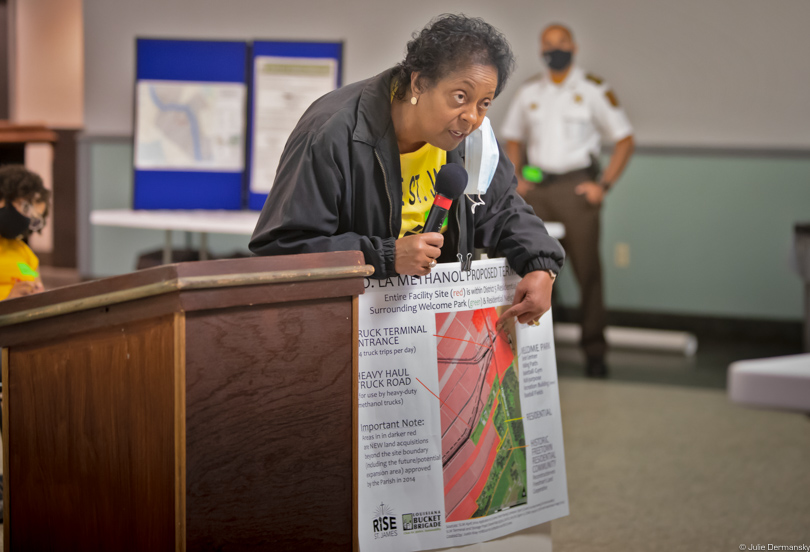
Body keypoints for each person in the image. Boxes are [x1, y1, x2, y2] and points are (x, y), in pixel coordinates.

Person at [250, 14, 565, 326]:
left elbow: (503, 210)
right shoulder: (332, 132)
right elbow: (281, 250)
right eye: (460, 97)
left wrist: (541, 265)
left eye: (484, 103)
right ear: (419, 82)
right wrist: (386, 256)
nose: (472, 117)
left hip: (427, 325)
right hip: (343, 326)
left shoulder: (472, 140)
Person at [500, 23, 635, 377]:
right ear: (540, 49)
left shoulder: (591, 89)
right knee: (531, 267)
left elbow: (625, 139)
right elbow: (512, 137)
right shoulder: (531, 91)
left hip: (578, 189)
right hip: (538, 190)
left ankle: (594, 352)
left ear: (573, 47)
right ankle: (539, 350)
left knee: (587, 272)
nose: (554, 50)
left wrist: (602, 186)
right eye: (548, 44)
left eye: (561, 44)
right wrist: (519, 179)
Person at [0, 164, 49, 301]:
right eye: (26, 208)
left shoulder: (25, 252)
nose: (27, 220)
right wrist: (8, 304)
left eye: (35, 219)